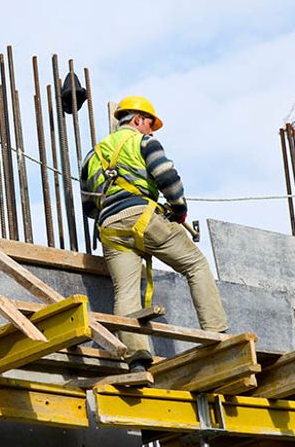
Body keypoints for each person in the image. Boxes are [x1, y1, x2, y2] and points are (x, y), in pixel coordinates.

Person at [80, 96, 228, 370]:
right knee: (195, 265)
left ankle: (137, 359)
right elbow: (167, 177)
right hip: (144, 217)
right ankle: (218, 335)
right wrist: (179, 209)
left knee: (124, 291)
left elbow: (89, 206)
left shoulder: (93, 155)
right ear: (137, 120)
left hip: (110, 228)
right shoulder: (143, 142)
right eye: (150, 124)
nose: (151, 131)